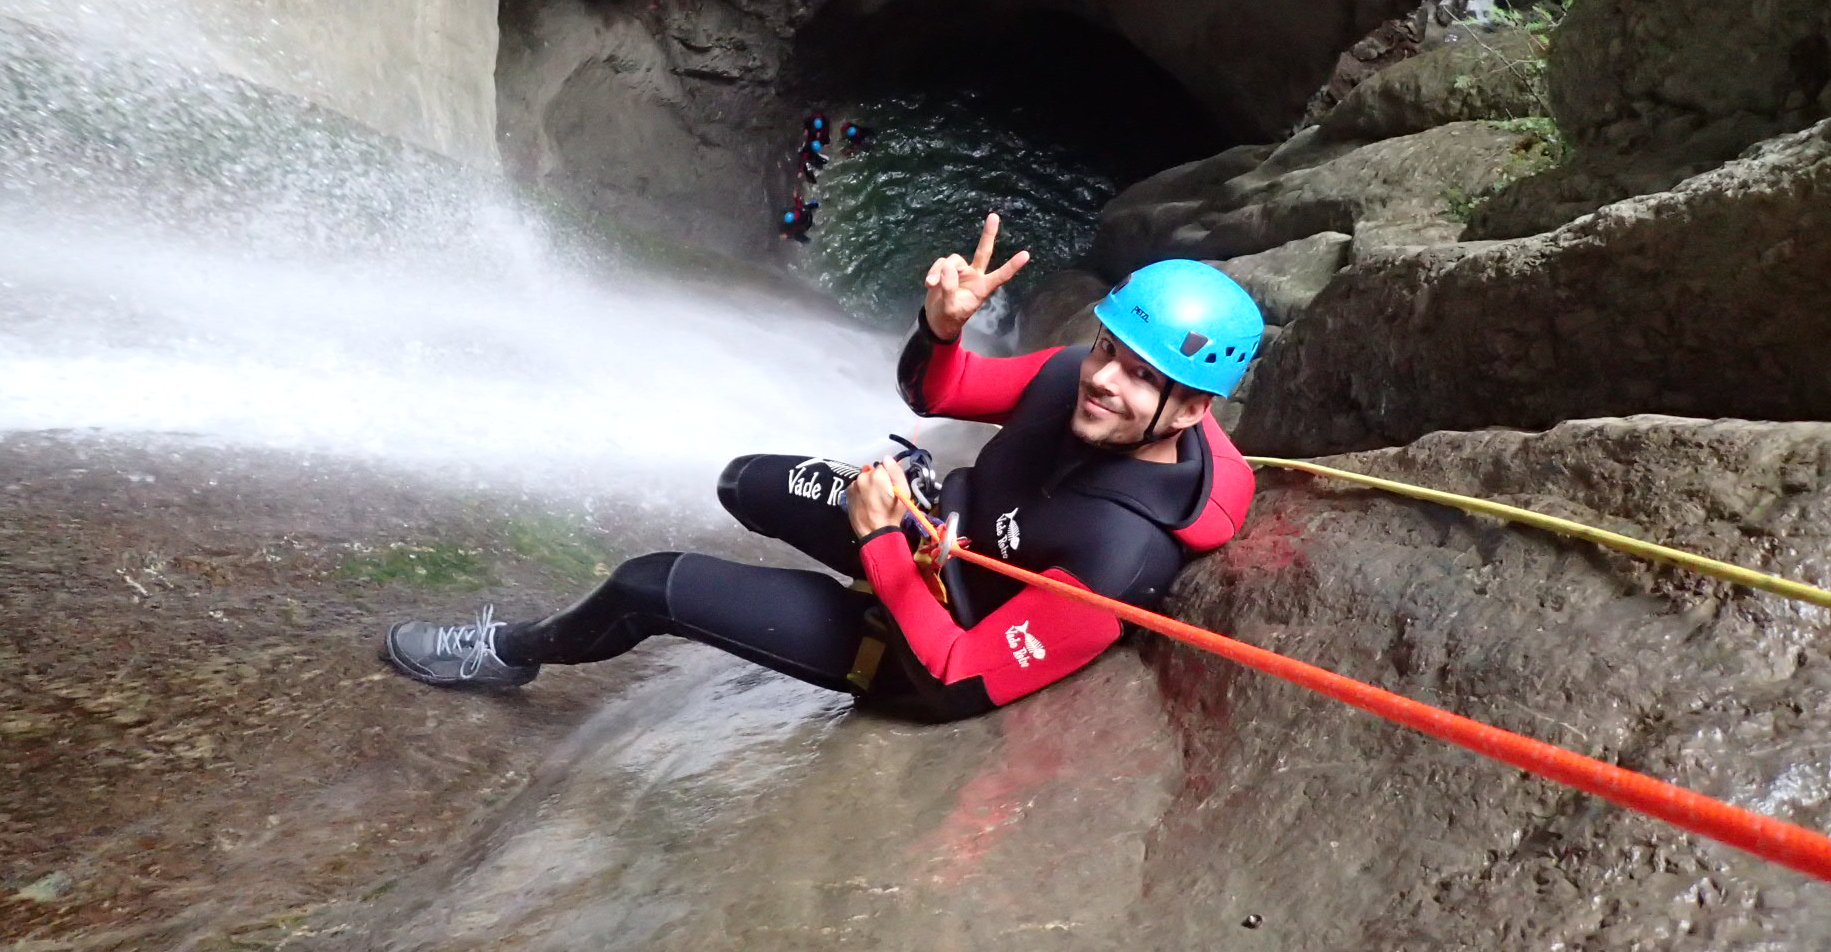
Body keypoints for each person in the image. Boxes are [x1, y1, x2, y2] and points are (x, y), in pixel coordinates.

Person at [382, 214, 1262, 722]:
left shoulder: (1120, 561)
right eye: (1111, 349)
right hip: (921, 529)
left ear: (1192, 408)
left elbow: (961, 679)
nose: (1105, 378)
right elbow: (938, 392)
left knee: (648, 585)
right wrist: (942, 327)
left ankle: (511, 652)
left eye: (1143, 376)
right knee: (744, 480)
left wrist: (878, 547)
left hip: (917, 643)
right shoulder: (1069, 376)